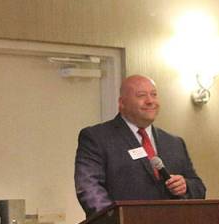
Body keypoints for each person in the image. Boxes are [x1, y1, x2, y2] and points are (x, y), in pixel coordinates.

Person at [74, 74, 207, 216]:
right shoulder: (98, 137)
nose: (150, 101)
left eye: (154, 95)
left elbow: (198, 187)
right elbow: (89, 188)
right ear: (122, 103)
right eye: (141, 95)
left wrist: (185, 186)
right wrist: (115, 220)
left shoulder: (174, 143)